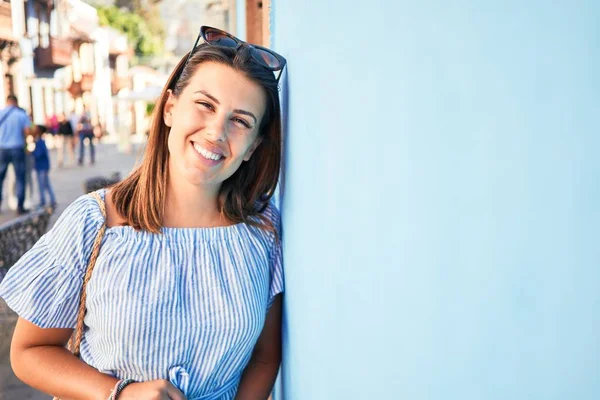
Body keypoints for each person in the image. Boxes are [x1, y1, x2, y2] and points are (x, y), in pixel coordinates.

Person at [0, 25, 287, 400]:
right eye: (205, 105)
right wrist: (119, 393)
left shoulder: (263, 230)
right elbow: (29, 352)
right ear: (169, 108)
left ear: (252, 146)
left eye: (241, 121)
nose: (216, 132)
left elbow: (265, 358)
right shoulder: (94, 221)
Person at [0, 95, 31, 215]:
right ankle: (20, 206)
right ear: (16, 102)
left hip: (2, 149)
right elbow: (27, 131)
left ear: (7, 102)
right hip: (17, 148)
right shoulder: (21, 114)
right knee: (20, 177)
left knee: (0, 178)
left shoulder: (1, 113)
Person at [31, 124, 57, 209]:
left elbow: (39, 154)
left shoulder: (40, 142)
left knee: (42, 185)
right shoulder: (39, 141)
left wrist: (31, 153)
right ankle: (52, 200)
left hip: (42, 167)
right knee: (46, 184)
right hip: (42, 166)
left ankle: (43, 201)